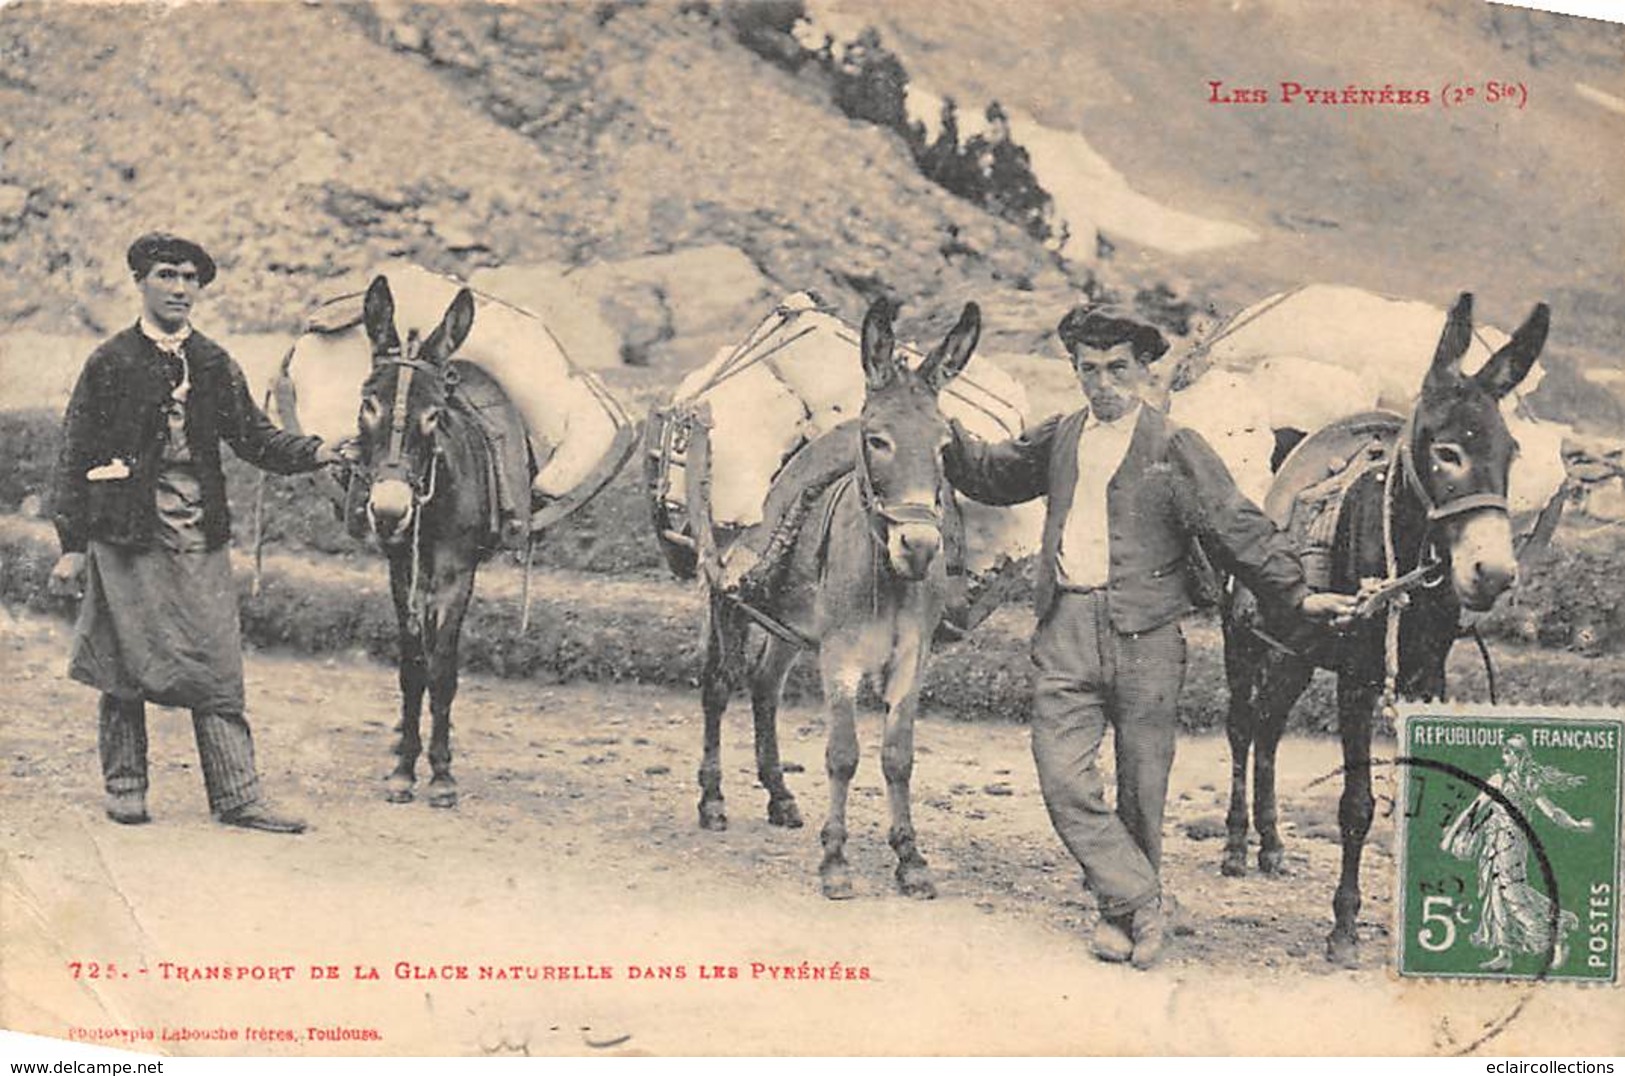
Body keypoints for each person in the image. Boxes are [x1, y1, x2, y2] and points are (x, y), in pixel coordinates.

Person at [944, 305, 1357, 968]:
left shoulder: (1174, 445)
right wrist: (942, 433)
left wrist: (1299, 594)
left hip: (1147, 637)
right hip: (1066, 629)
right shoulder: (1060, 436)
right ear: (1074, 370)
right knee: (1062, 779)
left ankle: (1120, 918)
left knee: (1143, 785)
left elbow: (1236, 528)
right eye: (1087, 368)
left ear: (1141, 370)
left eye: (1115, 368)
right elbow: (991, 476)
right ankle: (1140, 899)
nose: (1101, 382)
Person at [49, 232, 340, 834]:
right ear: (140, 281)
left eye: (189, 278)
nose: (180, 288)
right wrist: (72, 545)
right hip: (124, 531)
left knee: (215, 658)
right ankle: (125, 786)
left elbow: (256, 440)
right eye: (166, 275)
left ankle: (238, 796)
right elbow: (75, 451)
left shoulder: (211, 362)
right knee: (123, 657)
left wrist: (321, 451)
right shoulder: (110, 362)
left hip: (196, 531)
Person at [1440, 734, 1593, 971]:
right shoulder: (1503, 779)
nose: (1504, 757)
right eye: (1504, 752)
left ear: (1517, 755)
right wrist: (1451, 836)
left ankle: (1557, 937)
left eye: (1507, 752)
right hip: (1493, 842)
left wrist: (1575, 824)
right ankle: (1504, 953)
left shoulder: (1526, 782)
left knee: (1512, 894)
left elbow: (1551, 811)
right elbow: (1475, 809)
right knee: (1495, 894)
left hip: (1512, 844)